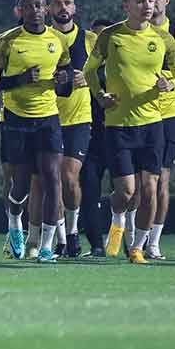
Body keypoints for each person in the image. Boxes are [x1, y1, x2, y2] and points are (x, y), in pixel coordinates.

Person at [83, 0, 175, 264]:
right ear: (126, 6)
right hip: (119, 125)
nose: (147, 6)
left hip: (152, 122)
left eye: (150, 0)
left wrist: (169, 84)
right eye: (140, 1)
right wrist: (100, 96)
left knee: (150, 189)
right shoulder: (111, 36)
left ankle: (137, 247)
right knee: (126, 191)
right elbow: (89, 70)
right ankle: (117, 218)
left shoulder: (164, 39)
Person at [0, 0, 73, 263]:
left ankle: (48, 247)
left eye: (39, 6)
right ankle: (15, 221)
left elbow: (66, 84)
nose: (35, 11)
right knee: (21, 184)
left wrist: (65, 81)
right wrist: (21, 78)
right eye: (29, 7)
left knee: (53, 179)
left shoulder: (58, 40)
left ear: (47, 9)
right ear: (20, 11)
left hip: (48, 118)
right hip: (17, 119)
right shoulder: (5, 41)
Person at [47, 0, 98, 258]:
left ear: (75, 8)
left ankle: (73, 232)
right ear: (48, 9)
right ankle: (59, 237)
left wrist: (88, 79)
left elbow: (106, 73)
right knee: (53, 179)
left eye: (67, 2)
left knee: (68, 176)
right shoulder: (42, 38)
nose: (62, 8)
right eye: (57, 3)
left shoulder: (90, 39)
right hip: (48, 117)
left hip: (79, 117)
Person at [78, 18, 115, 256]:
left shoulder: (123, 69)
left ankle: (125, 241)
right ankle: (97, 245)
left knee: (127, 191)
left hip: (120, 134)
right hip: (92, 138)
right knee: (89, 191)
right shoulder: (85, 72)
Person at [146, 0, 175, 259]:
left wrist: (172, 85)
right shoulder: (132, 32)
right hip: (135, 114)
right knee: (135, 184)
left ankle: (153, 241)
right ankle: (132, 234)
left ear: (167, 0)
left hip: (167, 115)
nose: (152, 2)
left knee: (160, 181)